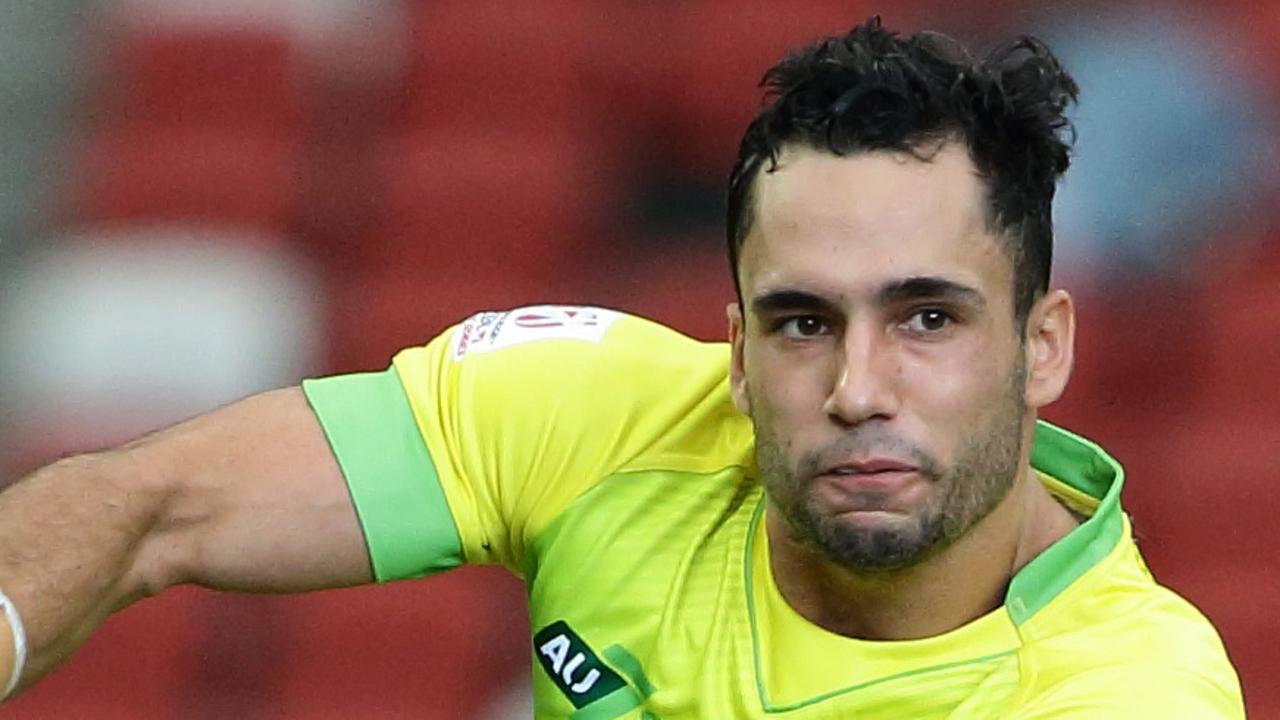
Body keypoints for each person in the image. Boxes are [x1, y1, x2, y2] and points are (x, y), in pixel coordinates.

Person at [0, 17, 1245, 718]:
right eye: (802, 322)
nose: (858, 386)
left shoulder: (1126, 693)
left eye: (926, 320)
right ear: (735, 339)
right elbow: (137, 504)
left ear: (1042, 347)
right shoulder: (603, 412)